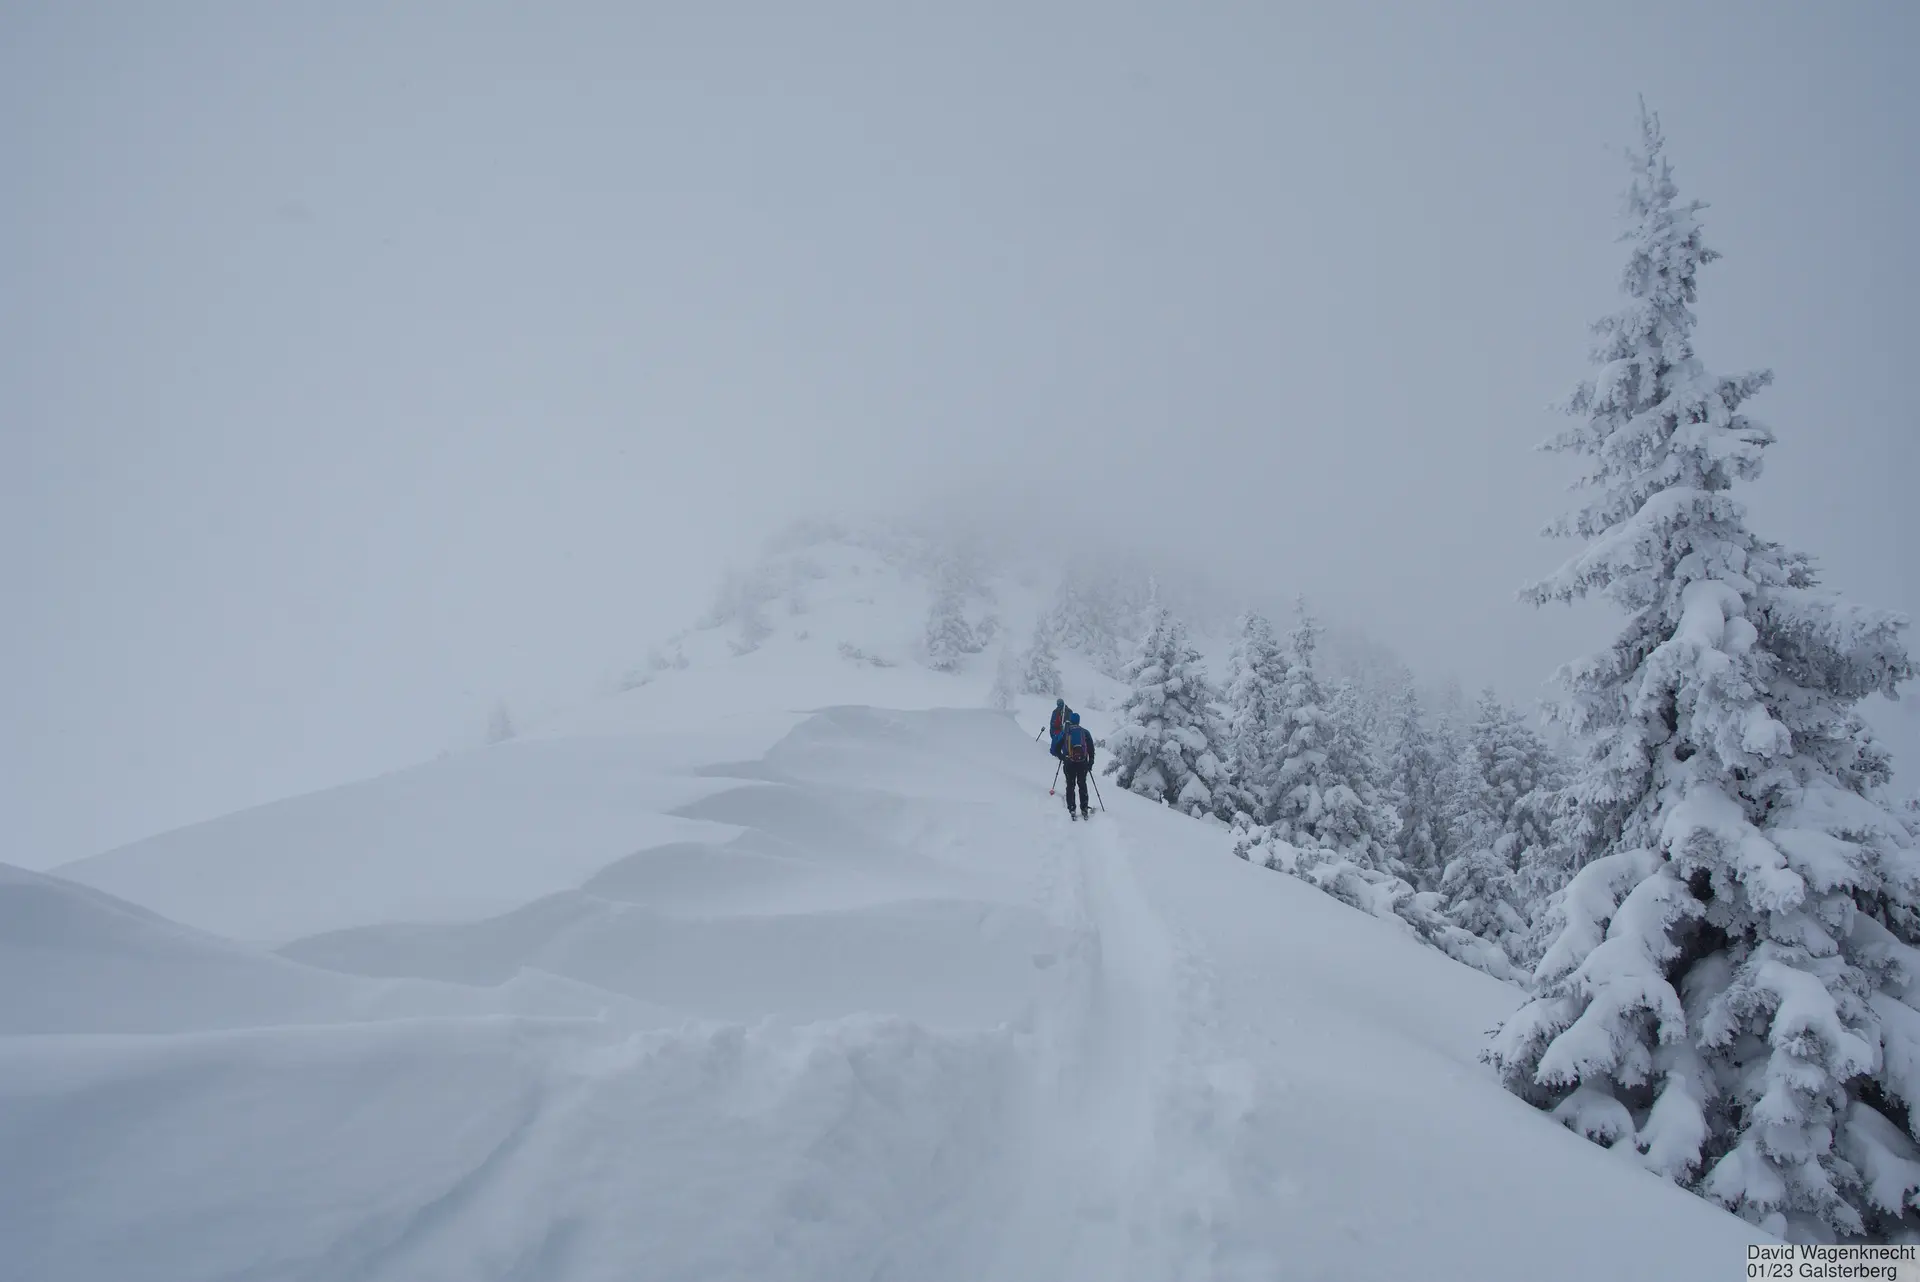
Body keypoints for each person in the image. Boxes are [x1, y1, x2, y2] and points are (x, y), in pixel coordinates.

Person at [1050, 712, 1096, 819]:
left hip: (1069, 763)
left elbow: (1056, 749)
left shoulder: (1066, 733)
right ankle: (1084, 809)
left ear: (1070, 721)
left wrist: (1063, 758)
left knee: (1070, 786)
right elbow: (1091, 749)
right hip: (1082, 763)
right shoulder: (1085, 732)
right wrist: (1090, 762)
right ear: (1079, 721)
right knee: (1082, 784)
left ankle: (1071, 809)